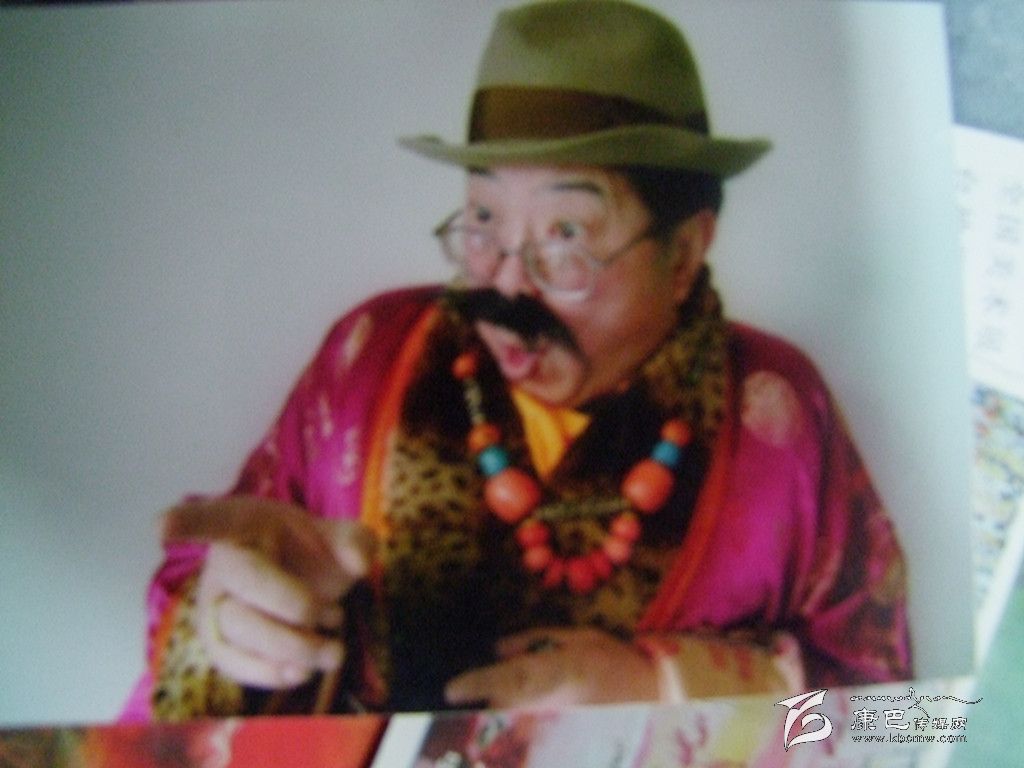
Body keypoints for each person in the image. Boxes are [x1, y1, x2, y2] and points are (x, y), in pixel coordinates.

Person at [123, 0, 911, 721]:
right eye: (483, 221)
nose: (506, 283)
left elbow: (899, 715)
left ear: (683, 254)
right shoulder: (373, 356)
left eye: (565, 235)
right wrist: (230, 624)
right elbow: (213, 600)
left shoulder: (777, 417)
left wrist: (660, 687)